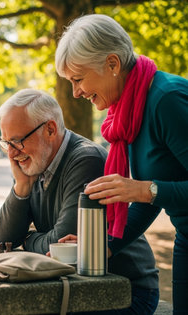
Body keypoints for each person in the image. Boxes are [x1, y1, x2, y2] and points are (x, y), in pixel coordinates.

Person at [55, 13, 188, 313]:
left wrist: (145, 190)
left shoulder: (167, 100)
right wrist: (105, 244)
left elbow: (149, 191)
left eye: (78, 79)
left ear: (112, 64)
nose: (76, 92)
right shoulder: (128, 112)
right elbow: (147, 197)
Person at [0, 89, 159, 314]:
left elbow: (63, 250)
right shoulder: (32, 162)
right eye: (6, 143)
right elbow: (1, 240)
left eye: (17, 141)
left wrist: (27, 239)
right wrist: (21, 188)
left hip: (124, 291)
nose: (11, 154)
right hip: (76, 285)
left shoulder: (86, 160)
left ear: (50, 129)